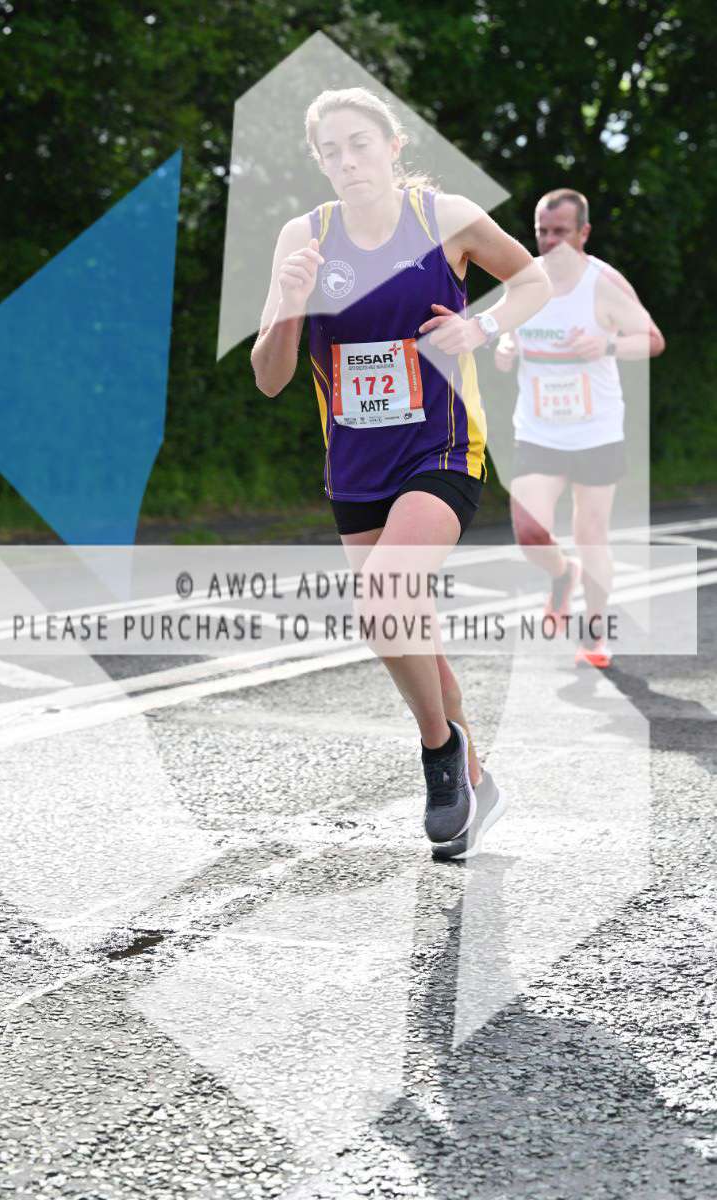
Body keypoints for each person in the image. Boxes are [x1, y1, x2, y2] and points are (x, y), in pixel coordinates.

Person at [251, 87, 551, 858]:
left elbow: (534, 280)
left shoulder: (444, 218)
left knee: (384, 597)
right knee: (410, 630)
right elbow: (270, 377)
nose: (347, 161)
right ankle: (476, 783)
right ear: (319, 162)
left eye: (360, 144)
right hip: (356, 467)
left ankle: (440, 757)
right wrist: (288, 304)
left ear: (392, 145)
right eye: (331, 151)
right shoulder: (305, 237)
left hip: (441, 449)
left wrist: (481, 325)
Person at [495, 188, 665, 667]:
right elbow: (508, 332)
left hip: (595, 432)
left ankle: (594, 634)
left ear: (584, 233)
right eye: (542, 232)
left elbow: (652, 340)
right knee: (529, 533)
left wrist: (606, 345)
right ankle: (561, 574)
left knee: (592, 536)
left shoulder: (604, 284)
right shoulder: (524, 279)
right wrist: (506, 348)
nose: (550, 241)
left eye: (561, 232)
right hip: (538, 431)